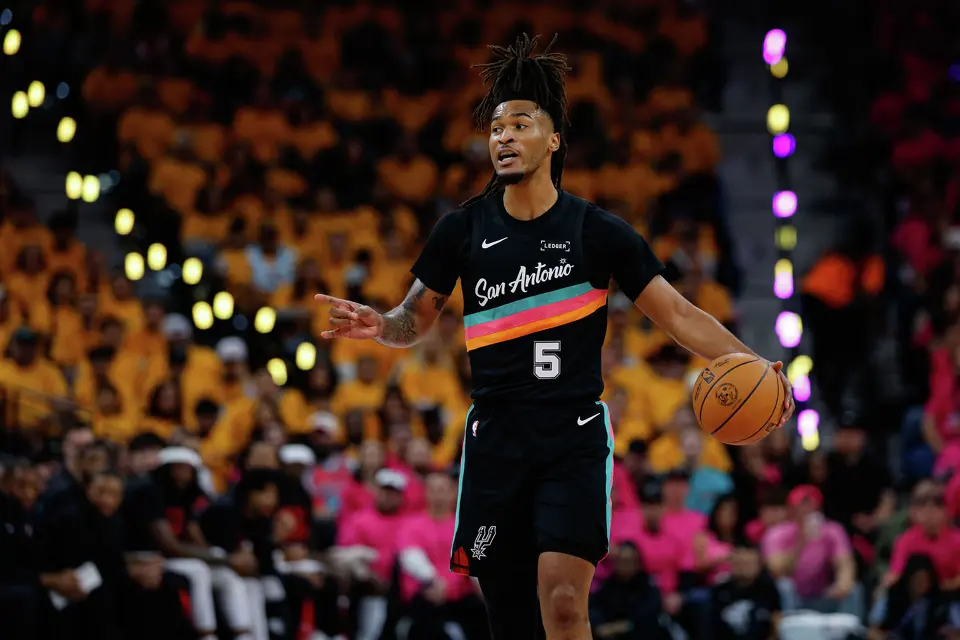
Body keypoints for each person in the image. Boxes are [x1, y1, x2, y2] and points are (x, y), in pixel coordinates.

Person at [316, 33, 794, 640]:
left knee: (564, 602)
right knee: (511, 617)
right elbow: (416, 319)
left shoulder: (598, 232)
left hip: (570, 439)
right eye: (496, 129)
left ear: (554, 138)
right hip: (495, 441)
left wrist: (754, 362)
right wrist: (380, 325)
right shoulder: (461, 229)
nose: (505, 137)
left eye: (521, 124)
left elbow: (677, 314)